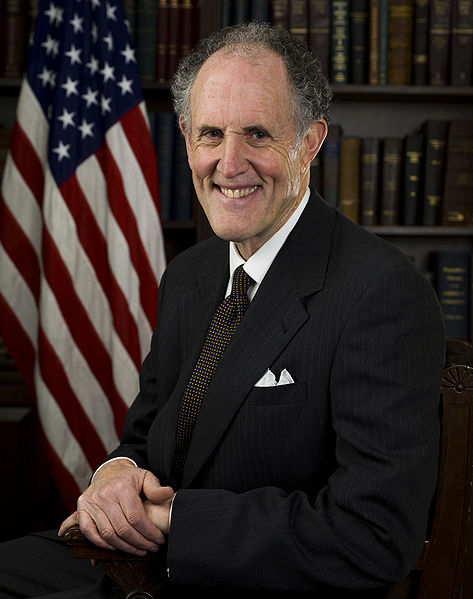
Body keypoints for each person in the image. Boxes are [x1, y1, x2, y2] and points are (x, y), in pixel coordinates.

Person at [1, 22, 445, 599]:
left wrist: (175, 520)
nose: (228, 163)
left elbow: (374, 535)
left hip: (243, 579)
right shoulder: (191, 274)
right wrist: (113, 476)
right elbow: (145, 434)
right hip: (138, 563)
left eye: (257, 134)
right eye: (211, 134)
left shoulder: (380, 292)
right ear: (187, 140)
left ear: (310, 142)